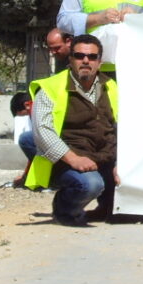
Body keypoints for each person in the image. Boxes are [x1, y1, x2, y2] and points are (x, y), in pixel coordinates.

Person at [25, 33, 118, 227]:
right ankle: (64, 210)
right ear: (70, 59)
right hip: (67, 160)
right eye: (79, 56)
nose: (86, 61)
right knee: (90, 185)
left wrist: (123, 163)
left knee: (123, 205)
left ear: (100, 62)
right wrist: (73, 159)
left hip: (105, 158)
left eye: (92, 57)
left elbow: (123, 126)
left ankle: (104, 208)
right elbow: (43, 131)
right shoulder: (50, 87)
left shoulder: (111, 86)